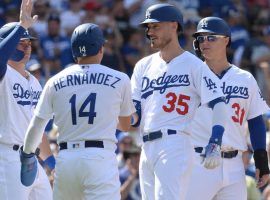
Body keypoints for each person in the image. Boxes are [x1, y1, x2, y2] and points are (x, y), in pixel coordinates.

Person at [20, 22, 136, 200]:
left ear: (74, 51)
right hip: (101, 158)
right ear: (100, 49)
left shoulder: (54, 80)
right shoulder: (120, 78)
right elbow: (126, 125)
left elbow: (36, 125)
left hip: (67, 158)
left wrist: (28, 154)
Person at [130, 4, 228, 200]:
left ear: (174, 26)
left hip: (174, 143)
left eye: (155, 26)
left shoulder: (194, 65)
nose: (149, 32)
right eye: (148, 28)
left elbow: (219, 103)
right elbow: (134, 114)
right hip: (146, 147)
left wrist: (215, 140)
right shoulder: (143, 66)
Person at [186, 17, 270, 200]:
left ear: (226, 40)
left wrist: (262, 160)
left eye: (211, 37)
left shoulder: (245, 78)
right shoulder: (190, 76)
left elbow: (255, 121)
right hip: (198, 161)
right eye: (201, 38)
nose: (205, 42)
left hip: (235, 165)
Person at [0, 0, 54, 199]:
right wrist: (21, 25)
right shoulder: (4, 74)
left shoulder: (34, 81)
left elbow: (37, 127)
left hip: (30, 158)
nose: (27, 47)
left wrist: (51, 163)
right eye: (21, 42)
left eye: (29, 42)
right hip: (6, 156)